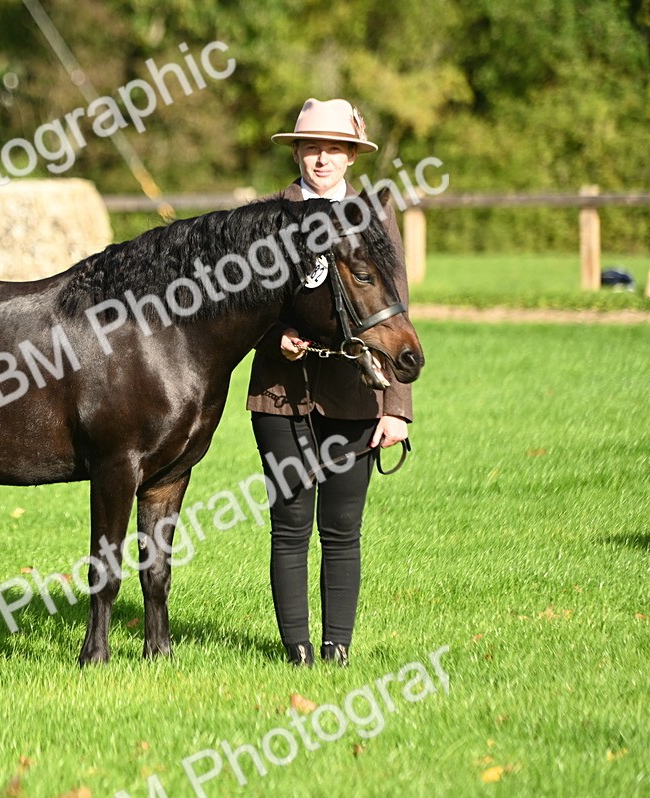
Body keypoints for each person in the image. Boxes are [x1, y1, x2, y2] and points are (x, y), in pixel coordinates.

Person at [247, 98, 412, 667]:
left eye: (334, 148)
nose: (322, 158)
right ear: (296, 151)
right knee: (289, 524)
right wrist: (275, 339)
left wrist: (396, 406)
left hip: (357, 394)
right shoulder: (267, 215)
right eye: (312, 147)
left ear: (351, 155)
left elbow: (396, 313)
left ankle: (337, 648)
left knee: (342, 528)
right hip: (279, 396)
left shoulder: (375, 213)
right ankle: (295, 651)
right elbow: (240, 307)